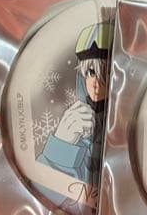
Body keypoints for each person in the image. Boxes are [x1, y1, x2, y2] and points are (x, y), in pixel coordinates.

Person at [37, 22, 111, 189]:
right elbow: (46, 185)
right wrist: (62, 144)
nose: (96, 83)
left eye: (106, 72)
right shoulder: (77, 121)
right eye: (91, 72)